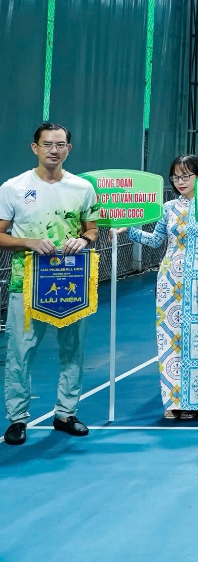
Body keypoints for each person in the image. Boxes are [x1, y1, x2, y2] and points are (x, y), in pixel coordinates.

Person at [1, 123, 100, 445]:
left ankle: (66, 413)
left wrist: (84, 240)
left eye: (60, 145)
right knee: (20, 352)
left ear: (68, 149)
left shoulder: (82, 188)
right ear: (35, 148)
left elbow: (92, 229)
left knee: (73, 350)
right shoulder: (13, 187)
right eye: (47, 144)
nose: (54, 150)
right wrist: (29, 242)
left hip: (72, 285)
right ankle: (17, 418)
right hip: (26, 284)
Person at [119, 155, 198, 420]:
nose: (180, 181)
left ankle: (196, 400)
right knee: (169, 340)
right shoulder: (168, 207)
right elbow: (155, 240)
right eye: (175, 177)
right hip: (168, 281)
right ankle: (173, 400)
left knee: (197, 341)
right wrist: (130, 230)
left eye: (186, 176)